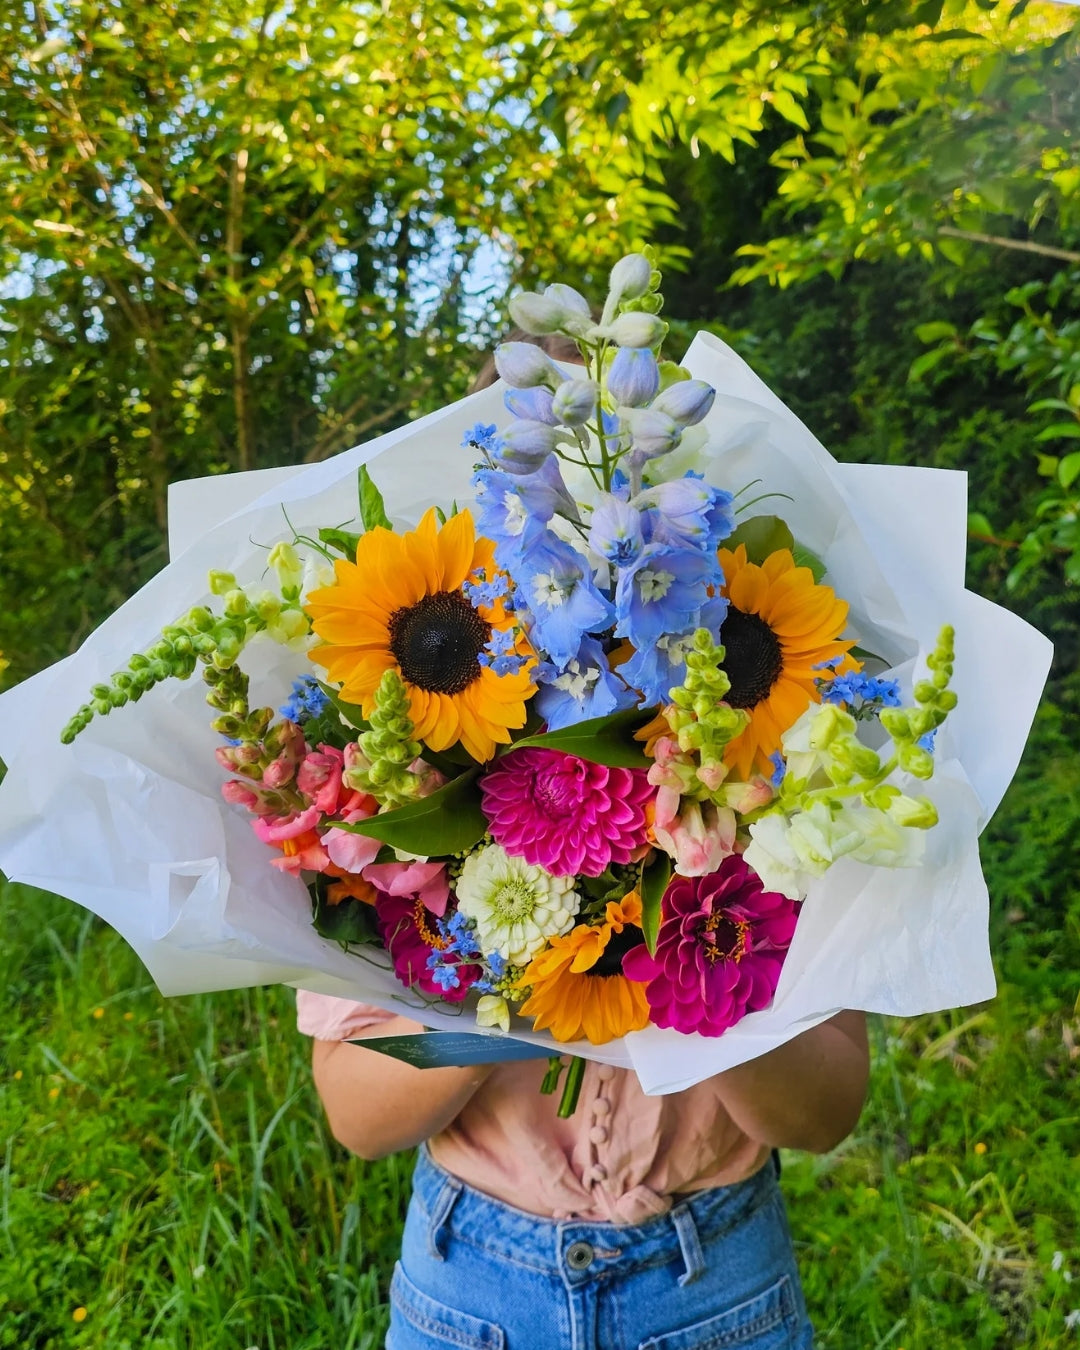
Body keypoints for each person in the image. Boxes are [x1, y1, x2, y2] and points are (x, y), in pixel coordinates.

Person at [298, 333, 870, 1349]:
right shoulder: (393, 757)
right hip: (473, 1282)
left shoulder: (783, 764)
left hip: (715, 1282)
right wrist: (519, 972)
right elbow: (357, 1118)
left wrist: (683, 968)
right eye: (530, 490)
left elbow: (824, 1114)